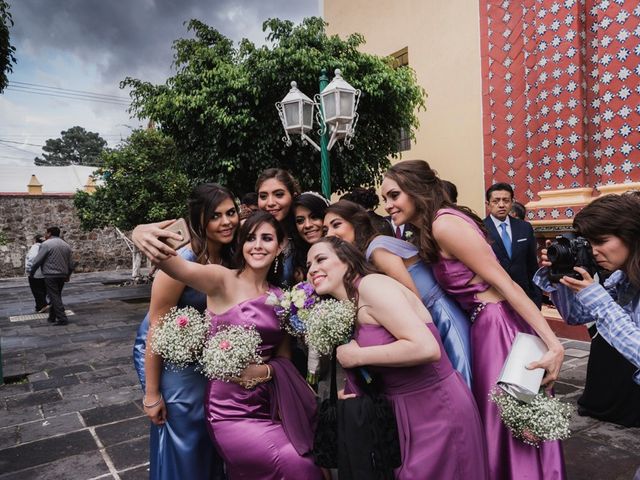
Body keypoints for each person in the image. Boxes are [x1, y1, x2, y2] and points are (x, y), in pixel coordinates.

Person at [381, 160, 565, 480]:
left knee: (510, 427)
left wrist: (553, 343)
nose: (388, 205)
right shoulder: (431, 228)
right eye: (384, 198)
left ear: (415, 189)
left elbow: (507, 286)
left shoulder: (445, 225)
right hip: (483, 328)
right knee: (499, 427)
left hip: (497, 328)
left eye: (393, 195)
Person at [134, 212, 323, 480]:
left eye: (267, 238)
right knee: (299, 466)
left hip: (269, 406)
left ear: (280, 246)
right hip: (229, 411)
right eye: (250, 238)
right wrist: (140, 232)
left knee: (309, 458)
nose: (257, 245)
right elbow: (174, 266)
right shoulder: (221, 280)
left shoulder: (283, 298)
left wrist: (266, 372)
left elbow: (283, 359)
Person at [307, 237, 488, 479]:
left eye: (321, 259)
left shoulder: (372, 286)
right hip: (399, 413)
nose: (312, 269)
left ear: (347, 260)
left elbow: (426, 348)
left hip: (435, 407)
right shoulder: (350, 305)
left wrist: (358, 356)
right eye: (308, 265)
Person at [132, 184, 235, 480]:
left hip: (209, 361)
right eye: (215, 216)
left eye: (231, 213)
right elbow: (156, 327)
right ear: (198, 220)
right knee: (185, 439)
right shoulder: (182, 260)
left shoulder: (231, 255)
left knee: (212, 439)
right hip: (173, 362)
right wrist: (152, 395)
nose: (226, 221)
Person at [323, 200, 473, 388]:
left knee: (460, 376)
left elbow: (413, 297)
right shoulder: (364, 257)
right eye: (325, 229)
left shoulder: (377, 250)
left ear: (356, 224)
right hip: (426, 319)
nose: (330, 234)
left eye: (336, 225)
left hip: (440, 315)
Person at [534, 192, 640, 427]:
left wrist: (599, 299)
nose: (593, 251)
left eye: (601, 241)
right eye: (589, 244)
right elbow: (576, 316)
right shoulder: (622, 279)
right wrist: (560, 277)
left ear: (631, 235)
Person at [484, 183, 543, 308]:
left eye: (506, 200)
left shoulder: (524, 227)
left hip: (524, 297)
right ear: (488, 204)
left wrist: (537, 298)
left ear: (512, 202)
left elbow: (532, 265)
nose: (501, 205)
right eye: (496, 201)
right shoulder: (480, 229)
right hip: (495, 299)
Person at [255, 168, 301, 288]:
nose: (270, 202)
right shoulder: (249, 236)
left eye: (279, 195)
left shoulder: (304, 234)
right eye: (263, 196)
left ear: (293, 196)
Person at [28, 227, 73, 326]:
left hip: (50, 274)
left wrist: (32, 272)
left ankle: (62, 318)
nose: (45, 235)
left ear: (49, 233)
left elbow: (37, 260)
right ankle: (52, 317)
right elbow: (71, 264)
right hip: (62, 274)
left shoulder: (46, 244)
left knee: (54, 296)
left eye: (46, 233)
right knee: (55, 295)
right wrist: (68, 275)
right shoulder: (66, 245)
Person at [25, 234, 48, 313]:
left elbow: (32, 258)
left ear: (35, 240)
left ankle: (42, 305)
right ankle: (39, 306)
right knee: (43, 289)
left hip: (35, 272)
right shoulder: (45, 247)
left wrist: (29, 269)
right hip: (44, 272)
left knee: (36, 290)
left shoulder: (35, 247)